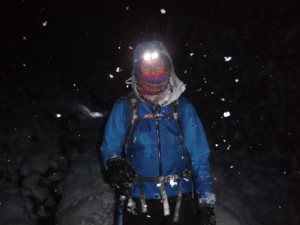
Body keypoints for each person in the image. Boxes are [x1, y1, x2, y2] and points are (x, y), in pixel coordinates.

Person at [100, 41, 216, 225]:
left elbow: (199, 157)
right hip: (138, 198)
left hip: (179, 199)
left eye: (158, 65)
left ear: (168, 67)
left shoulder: (182, 108)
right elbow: (110, 147)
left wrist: (206, 202)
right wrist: (114, 164)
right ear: (137, 70)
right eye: (147, 66)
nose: (153, 71)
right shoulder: (125, 107)